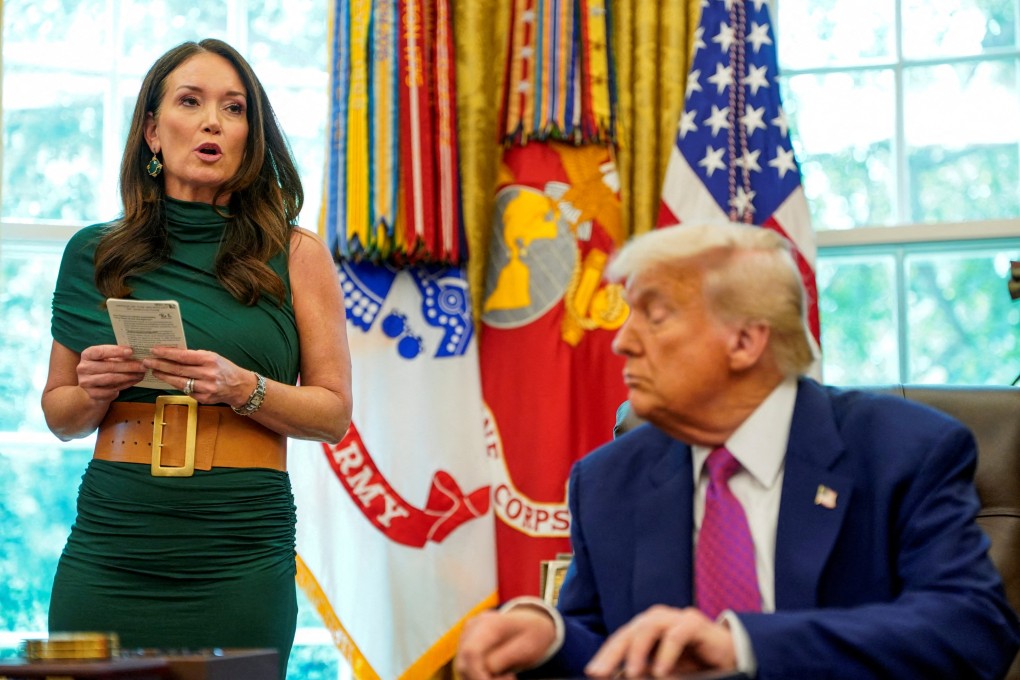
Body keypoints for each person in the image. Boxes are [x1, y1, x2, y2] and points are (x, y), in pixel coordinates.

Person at [455, 221, 1020, 679]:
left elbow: (970, 628)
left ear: (746, 341)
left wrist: (742, 646)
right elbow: (602, 649)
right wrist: (549, 637)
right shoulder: (608, 480)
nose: (622, 340)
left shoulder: (904, 450)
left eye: (654, 316)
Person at [41, 39, 352, 679]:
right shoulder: (94, 253)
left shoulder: (297, 254)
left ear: (249, 136)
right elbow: (60, 415)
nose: (214, 121)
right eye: (192, 102)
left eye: (234, 109)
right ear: (153, 131)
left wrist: (243, 388)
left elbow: (332, 415)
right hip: (113, 541)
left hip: (240, 546)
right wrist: (96, 391)